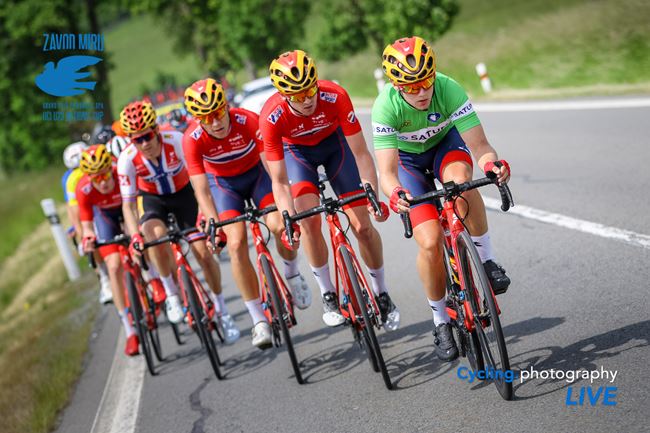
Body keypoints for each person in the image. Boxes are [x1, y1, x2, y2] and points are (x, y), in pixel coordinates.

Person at [372, 36, 511, 361]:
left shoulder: (448, 89)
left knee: (462, 184)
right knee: (430, 242)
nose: (422, 92)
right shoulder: (385, 107)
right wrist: (396, 194)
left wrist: (492, 165)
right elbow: (387, 174)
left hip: (445, 147)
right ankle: (439, 320)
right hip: (408, 164)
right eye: (412, 87)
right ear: (397, 85)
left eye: (426, 82)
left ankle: (487, 260)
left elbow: (480, 147)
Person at [260, 50, 399, 330]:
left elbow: (361, 154)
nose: (307, 100)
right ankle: (328, 293)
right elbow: (279, 180)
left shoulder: (335, 95)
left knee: (363, 227)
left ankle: (381, 292)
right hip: (297, 154)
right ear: (284, 96)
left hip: (336, 147)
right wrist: (288, 219)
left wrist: (371, 194)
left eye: (310, 90)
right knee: (309, 222)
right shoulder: (271, 116)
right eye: (298, 96)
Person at [183, 78, 312, 349]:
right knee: (236, 243)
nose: (215, 122)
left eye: (218, 112)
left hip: (257, 177)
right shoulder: (191, 140)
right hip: (224, 187)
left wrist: (284, 200)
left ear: (226, 106)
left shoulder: (248, 120)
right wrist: (214, 226)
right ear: (197, 119)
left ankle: (292, 273)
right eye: (206, 118)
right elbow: (202, 192)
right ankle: (258, 320)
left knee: (279, 226)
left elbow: (272, 169)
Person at [117, 101, 240, 342]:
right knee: (153, 237)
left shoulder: (175, 140)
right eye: (137, 140)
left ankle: (222, 311)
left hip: (185, 195)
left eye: (147, 136)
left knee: (203, 253)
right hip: (153, 200)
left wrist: (204, 213)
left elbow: (200, 181)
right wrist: (135, 237)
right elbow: (128, 205)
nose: (144, 144)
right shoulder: (127, 160)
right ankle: (172, 294)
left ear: (156, 130)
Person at [76, 145, 138, 355]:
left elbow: (136, 204)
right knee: (113, 266)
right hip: (105, 217)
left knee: (140, 243)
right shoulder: (84, 188)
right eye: (96, 178)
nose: (102, 182)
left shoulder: (121, 172)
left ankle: (154, 278)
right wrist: (88, 238)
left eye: (104, 175)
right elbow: (86, 225)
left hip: (127, 209)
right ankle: (129, 331)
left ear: (111, 169)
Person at [62, 141, 113, 304]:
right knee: (90, 237)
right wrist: (81, 235)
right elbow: (74, 209)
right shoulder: (71, 180)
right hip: (89, 207)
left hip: (103, 203)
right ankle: (104, 277)